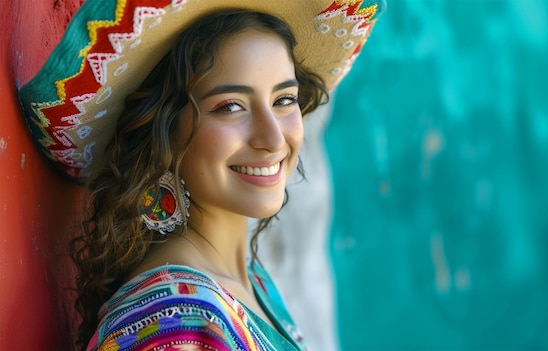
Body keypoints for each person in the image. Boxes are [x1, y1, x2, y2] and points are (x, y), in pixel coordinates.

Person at [17, 0, 383, 350]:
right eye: (231, 107)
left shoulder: (251, 282)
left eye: (284, 99)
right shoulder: (176, 326)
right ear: (163, 132)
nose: (273, 139)